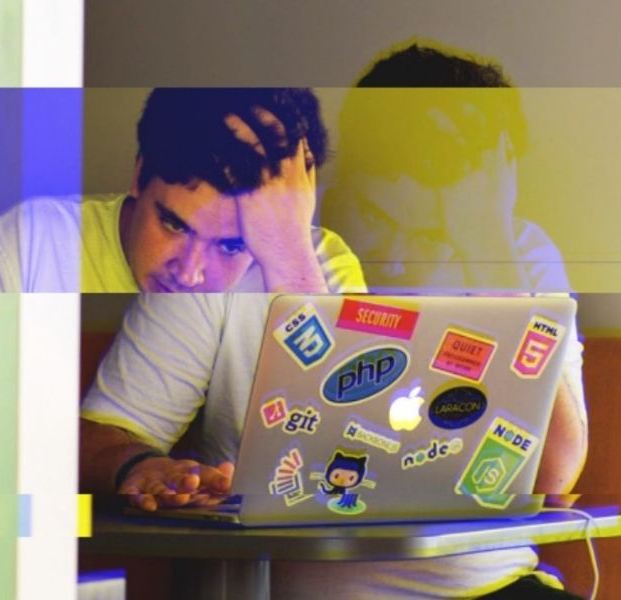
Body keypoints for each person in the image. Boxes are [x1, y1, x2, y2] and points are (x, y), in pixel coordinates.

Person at [81, 62, 588, 598]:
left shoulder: (519, 258)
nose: (438, 179)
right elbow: (102, 439)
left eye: (471, 159)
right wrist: (290, 254)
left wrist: (489, 247)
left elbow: (554, 475)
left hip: (498, 585)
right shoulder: (217, 263)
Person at [0, 88, 364, 294]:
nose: (189, 273)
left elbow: (347, 436)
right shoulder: (32, 245)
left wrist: (290, 259)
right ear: (139, 174)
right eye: (172, 224)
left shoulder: (319, 267)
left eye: (234, 246)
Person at [320, 40, 570, 294]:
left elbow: (540, 332)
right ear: (341, 175)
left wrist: (488, 249)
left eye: (431, 238)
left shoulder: (522, 252)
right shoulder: (293, 223)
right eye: (374, 217)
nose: (390, 265)